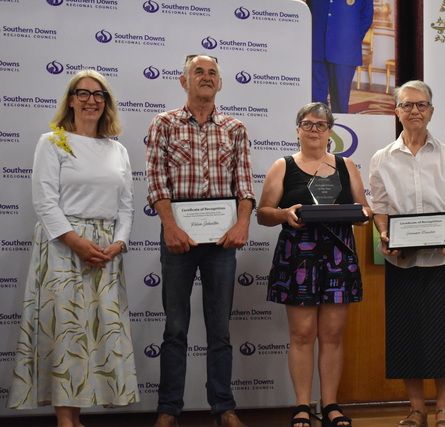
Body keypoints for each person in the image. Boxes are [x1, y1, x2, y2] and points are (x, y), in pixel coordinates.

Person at [8, 70, 138, 427]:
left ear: (106, 103)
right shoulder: (55, 142)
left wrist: (118, 243)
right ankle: (66, 420)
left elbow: (126, 206)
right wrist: (76, 242)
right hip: (64, 248)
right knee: (66, 332)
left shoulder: (117, 150)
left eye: (99, 95)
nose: (91, 100)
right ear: (71, 100)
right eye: (83, 93)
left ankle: (76, 417)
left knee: (98, 333)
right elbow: (45, 201)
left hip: (105, 252)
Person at [146, 54, 255, 427]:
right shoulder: (163, 124)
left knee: (220, 329)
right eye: (198, 72)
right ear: (184, 81)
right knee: (175, 328)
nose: (206, 77)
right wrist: (169, 227)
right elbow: (156, 182)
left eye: (212, 73)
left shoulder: (235, 128)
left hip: (222, 244)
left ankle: (224, 408)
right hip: (178, 240)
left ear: (219, 83)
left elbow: (244, 185)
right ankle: (168, 410)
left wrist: (242, 224)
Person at [257, 102, 372, 427]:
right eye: (307, 124)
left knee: (333, 334)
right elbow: (263, 213)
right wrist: (284, 214)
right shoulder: (283, 166)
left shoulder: (346, 165)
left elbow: (364, 210)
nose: (314, 130)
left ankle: (330, 404)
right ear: (297, 130)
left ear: (329, 131)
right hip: (298, 256)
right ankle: (302, 406)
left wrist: (361, 215)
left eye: (321, 125)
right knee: (302, 333)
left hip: (338, 255)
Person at [369, 80, 445, 427]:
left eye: (421, 105)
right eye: (407, 105)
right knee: (405, 333)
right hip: (401, 259)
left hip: (443, 257)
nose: (415, 111)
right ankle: (416, 409)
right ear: (396, 111)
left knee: (443, 331)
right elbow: (380, 208)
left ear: (431, 111)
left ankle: (444, 407)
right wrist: (384, 234)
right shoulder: (381, 158)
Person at [308, 0, 374, 113]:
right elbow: (309, 11)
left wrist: (350, 39)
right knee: (315, 101)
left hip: (344, 52)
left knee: (340, 101)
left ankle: (340, 125)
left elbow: (366, 17)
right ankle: (318, 123)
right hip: (317, 48)